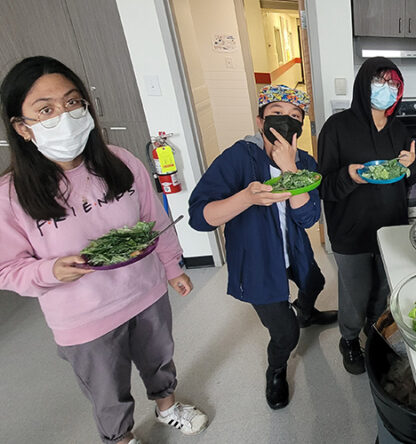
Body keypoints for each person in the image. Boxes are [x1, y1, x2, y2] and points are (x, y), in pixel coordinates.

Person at [0, 56, 207, 444]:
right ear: (22, 127)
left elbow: (154, 220)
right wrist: (49, 271)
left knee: (159, 359)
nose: (64, 117)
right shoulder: (10, 196)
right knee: (107, 389)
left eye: (72, 102)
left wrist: (172, 267)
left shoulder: (120, 162)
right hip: (84, 316)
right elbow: (6, 268)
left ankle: (167, 408)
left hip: (145, 293)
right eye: (46, 110)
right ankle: (120, 438)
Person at [188, 84, 337, 409]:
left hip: (293, 249)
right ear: (260, 121)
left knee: (315, 282)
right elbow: (199, 217)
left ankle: (307, 313)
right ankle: (276, 370)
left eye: (294, 116)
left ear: (301, 125)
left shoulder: (305, 162)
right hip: (256, 259)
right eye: (276, 113)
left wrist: (290, 169)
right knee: (285, 333)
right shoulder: (239, 157)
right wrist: (246, 198)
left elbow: (308, 217)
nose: (286, 120)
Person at [318, 57, 416, 375]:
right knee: (355, 293)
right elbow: (324, 187)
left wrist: (411, 165)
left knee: (384, 288)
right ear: (364, 83)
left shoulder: (398, 129)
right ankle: (348, 339)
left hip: (390, 227)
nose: (386, 88)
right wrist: (350, 176)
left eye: (392, 83)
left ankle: (374, 331)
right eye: (379, 81)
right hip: (351, 229)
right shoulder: (336, 128)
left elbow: (409, 178)